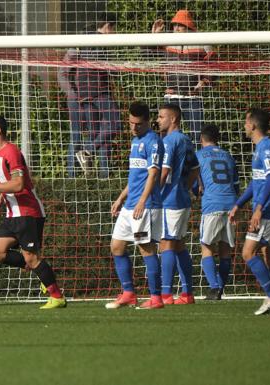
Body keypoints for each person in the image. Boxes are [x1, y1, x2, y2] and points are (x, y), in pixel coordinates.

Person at [0, 114, 66, 309]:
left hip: (27, 212)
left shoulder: (11, 152)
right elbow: (10, 183)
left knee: (32, 258)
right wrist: (1, 198)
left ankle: (57, 296)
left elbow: (19, 184)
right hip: (12, 214)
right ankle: (40, 272)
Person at [105, 102, 165, 310]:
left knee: (145, 249)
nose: (133, 128)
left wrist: (141, 201)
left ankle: (156, 297)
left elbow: (153, 174)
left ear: (148, 122)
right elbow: (135, 178)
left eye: (138, 124)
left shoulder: (153, 142)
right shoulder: (134, 141)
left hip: (145, 205)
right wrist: (121, 198)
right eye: (131, 123)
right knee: (116, 246)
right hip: (130, 205)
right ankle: (129, 293)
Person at [229, 108, 270, 315]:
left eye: (246, 122)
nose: (244, 126)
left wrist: (259, 209)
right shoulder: (261, 148)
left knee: (248, 252)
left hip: (269, 209)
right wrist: (239, 204)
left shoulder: (266, 148)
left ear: (252, 125)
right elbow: (257, 182)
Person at [58, 13, 121, 178]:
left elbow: (103, 69)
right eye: (114, 29)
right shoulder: (83, 44)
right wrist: (73, 95)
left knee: (97, 134)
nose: (114, 33)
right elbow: (63, 72)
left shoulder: (93, 44)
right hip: (85, 96)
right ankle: (75, 175)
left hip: (89, 96)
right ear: (108, 26)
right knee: (79, 135)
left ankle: (96, 175)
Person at [151, 10, 215, 146]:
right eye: (174, 25)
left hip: (192, 98)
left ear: (189, 26)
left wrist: (204, 82)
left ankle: (197, 165)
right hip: (171, 98)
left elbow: (214, 65)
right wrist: (153, 35)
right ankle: (166, 165)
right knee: (166, 136)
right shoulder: (166, 42)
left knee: (198, 136)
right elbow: (147, 54)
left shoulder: (202, 42)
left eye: (180, 25)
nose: (176, 28)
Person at [156, 104, 199, 305]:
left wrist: (152, 195)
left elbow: (163, 173)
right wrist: (184, 187)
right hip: (182, 198)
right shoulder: (186, 139)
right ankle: (187, 294)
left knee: (167, 243)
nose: (158, 120)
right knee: (180, 245)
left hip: (169, 200)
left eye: (161, 116)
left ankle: (165, 294)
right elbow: (195, 169)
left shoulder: (169, 141)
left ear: (173, 119)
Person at [196, 124, 238, 300]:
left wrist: (195, 190)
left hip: (212, 204)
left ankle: (214, 287)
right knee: (225, 250)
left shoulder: (198, 155)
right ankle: (220, 288)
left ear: (201, 139)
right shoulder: (228, 156)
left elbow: (194, 182)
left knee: (206, 247)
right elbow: (236, 185)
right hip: (230, 204)